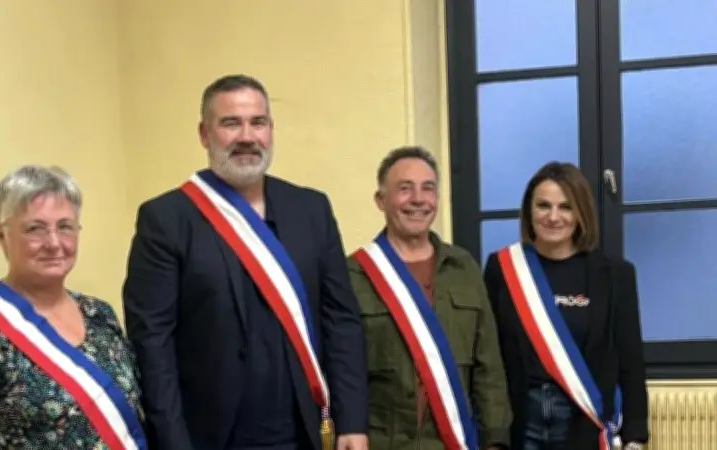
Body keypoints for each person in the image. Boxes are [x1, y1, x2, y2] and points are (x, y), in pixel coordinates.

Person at [122, 74, 368, 450]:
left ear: (271, 129)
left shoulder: (311, 209)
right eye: (231, 123)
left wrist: (352, 422)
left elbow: (341, 322)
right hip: (212, 437)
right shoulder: (166, 219)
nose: (247, 137)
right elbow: (152, 344)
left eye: (258, 122)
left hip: (306, 432)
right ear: (204, 134)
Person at [0, 165, 147, 449]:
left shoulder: (98, 314)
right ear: (2, 235)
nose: (54, 243)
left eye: (65, 227)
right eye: (35, 229)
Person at [347, 146, 512, 449]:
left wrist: (495, 440)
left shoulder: (463, 267)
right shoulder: (353, 274)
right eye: (404, 188)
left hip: (454, 441)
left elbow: (488, 367)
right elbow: (343, 372)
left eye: (428, 188)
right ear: (381, 200)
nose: (418, 199)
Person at [483, 162, 649, 450]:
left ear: (581, 212)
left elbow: (630, 359)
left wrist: (635, 435)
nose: (553, 217)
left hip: (584, 422)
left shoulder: (615, 275)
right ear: (529, 211)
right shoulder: (503, 268)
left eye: (565, 207)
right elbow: (487, 356)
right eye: (543, 206)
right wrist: (491, 433)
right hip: (520, 420)